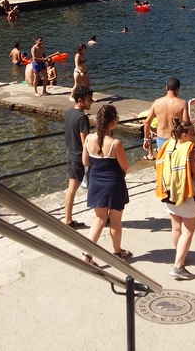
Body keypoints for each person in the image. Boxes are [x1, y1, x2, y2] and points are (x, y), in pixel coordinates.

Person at [155, 119, 195, 280]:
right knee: (188, 231)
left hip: (170, 192)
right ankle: (178, 267)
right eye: (193, 133)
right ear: (184, 135)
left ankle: (180, 256)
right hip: (187, 194)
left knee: (176, 228)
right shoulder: (190, 151)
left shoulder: (168, 146)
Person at [82, 104, 130, 266]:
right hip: (114, 184)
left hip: (96, 183)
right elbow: (125, 166)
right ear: (113, 121)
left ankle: (87, 255)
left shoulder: (88, 139)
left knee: (99, 219)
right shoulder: (115, 143)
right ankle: (117, 252)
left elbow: (85, 162)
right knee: (115, 221)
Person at [64, 84, 93, 230]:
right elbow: (85, 141)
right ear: (80, 100)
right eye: (89, 99)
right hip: (80, 158)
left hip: (71, 156)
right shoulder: (82, 118)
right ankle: (102, 217)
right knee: (95, 187)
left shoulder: (69, 112)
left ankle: (68, 220)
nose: (91, 101)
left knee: (71, 188)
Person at [143, 77, 188, 153]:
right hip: (175, 139)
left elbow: (147, 122)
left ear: (166, 88)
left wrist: (146, 139)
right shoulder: (182, 104)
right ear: (178, 89)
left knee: (164, 160)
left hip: (161, 139)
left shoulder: (156, 102)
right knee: (176, 160)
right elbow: (186, 124)